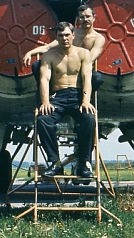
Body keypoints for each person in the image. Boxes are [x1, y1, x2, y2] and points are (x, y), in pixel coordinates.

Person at [36, 22, 96, 178]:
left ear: (73, 35)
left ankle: (83, 164)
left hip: (77, 96)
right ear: (56, 37)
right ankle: (55, 164)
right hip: (58, 96)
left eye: (67, 35)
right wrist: (45, 102)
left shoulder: (83, 53)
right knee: (43, 119)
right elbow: (44, 79)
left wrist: (85, 101)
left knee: (89, 118)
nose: (64, 38)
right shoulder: (49, 55)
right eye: (60, 36)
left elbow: (87, 78)